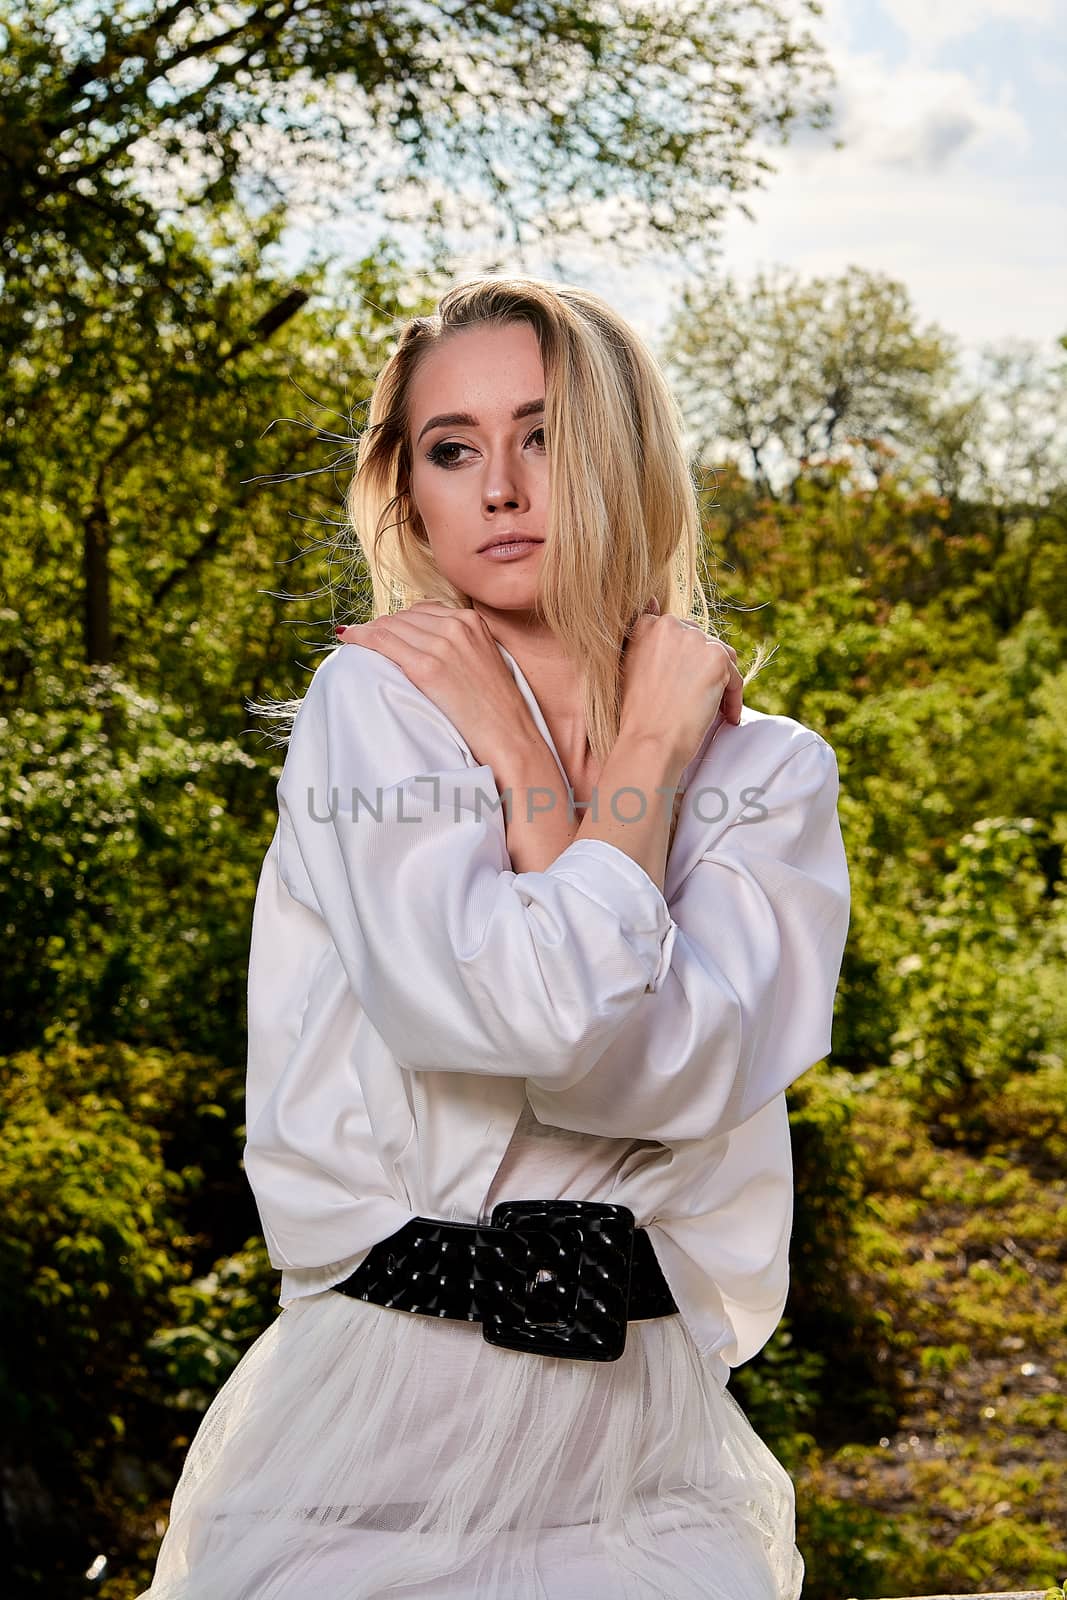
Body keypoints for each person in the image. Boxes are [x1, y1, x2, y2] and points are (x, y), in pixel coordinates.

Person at [138, 275, 851, 1599]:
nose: (503, 488)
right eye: (451, 449)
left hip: (645, 1451)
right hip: (382, 1423)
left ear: (625, 458)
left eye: (546, 435)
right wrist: (609, 753)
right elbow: (520, 1018)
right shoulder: (380, 708)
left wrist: (568, 777)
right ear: (409, 492)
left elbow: (662, 1073)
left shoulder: (770, 775)